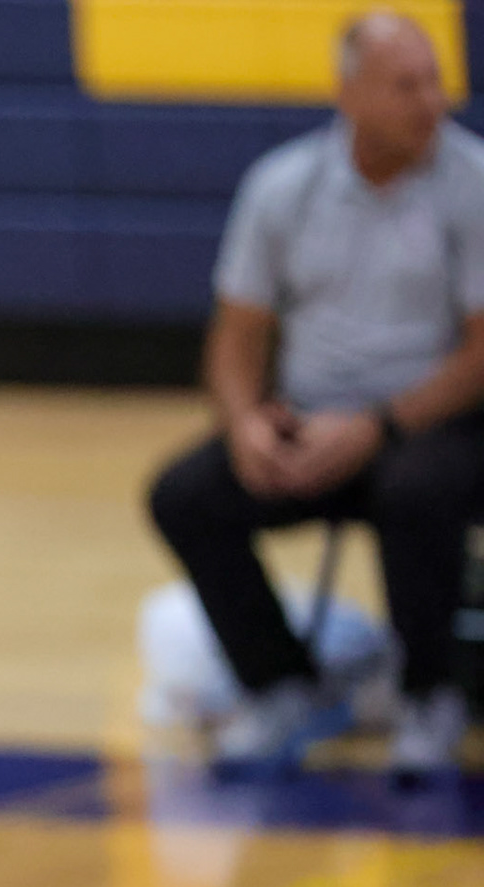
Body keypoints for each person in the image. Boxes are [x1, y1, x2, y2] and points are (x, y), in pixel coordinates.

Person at [148, 10, 484, 777]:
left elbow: (481, 352)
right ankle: (280, 686)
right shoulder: (283, 187)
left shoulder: (472, 184)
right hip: (312, 419)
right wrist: (244, 427)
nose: (432, 100)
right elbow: (237, 336)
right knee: (185, 496)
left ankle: (430, 694)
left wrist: (378, 427)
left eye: (435, 81)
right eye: (408, 85)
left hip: (437, 423)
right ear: (351, 94)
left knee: (417, 489)